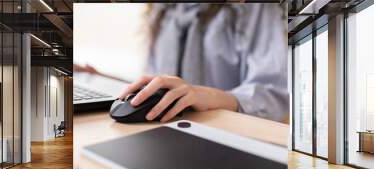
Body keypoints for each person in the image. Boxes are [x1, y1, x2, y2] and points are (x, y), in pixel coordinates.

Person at [81, 3, 289, 123]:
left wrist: (211, 96)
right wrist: (98, 77)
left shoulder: (256, 9)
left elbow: (274, 94)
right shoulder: (162, 12)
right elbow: (158, 86)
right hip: (168, 128)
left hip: (226, 131)